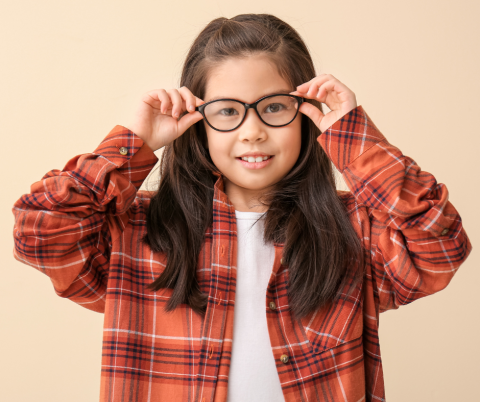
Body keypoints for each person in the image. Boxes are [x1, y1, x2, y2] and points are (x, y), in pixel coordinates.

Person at [12, 13, 472, 402]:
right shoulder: (139, 232)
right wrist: (130, 144)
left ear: (307, 112)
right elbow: (39, 231)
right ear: (198, 122)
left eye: (273, 107)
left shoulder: (352, 229)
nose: (252, 131)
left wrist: (352, 139)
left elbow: (440, 244)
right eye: (228, 111)